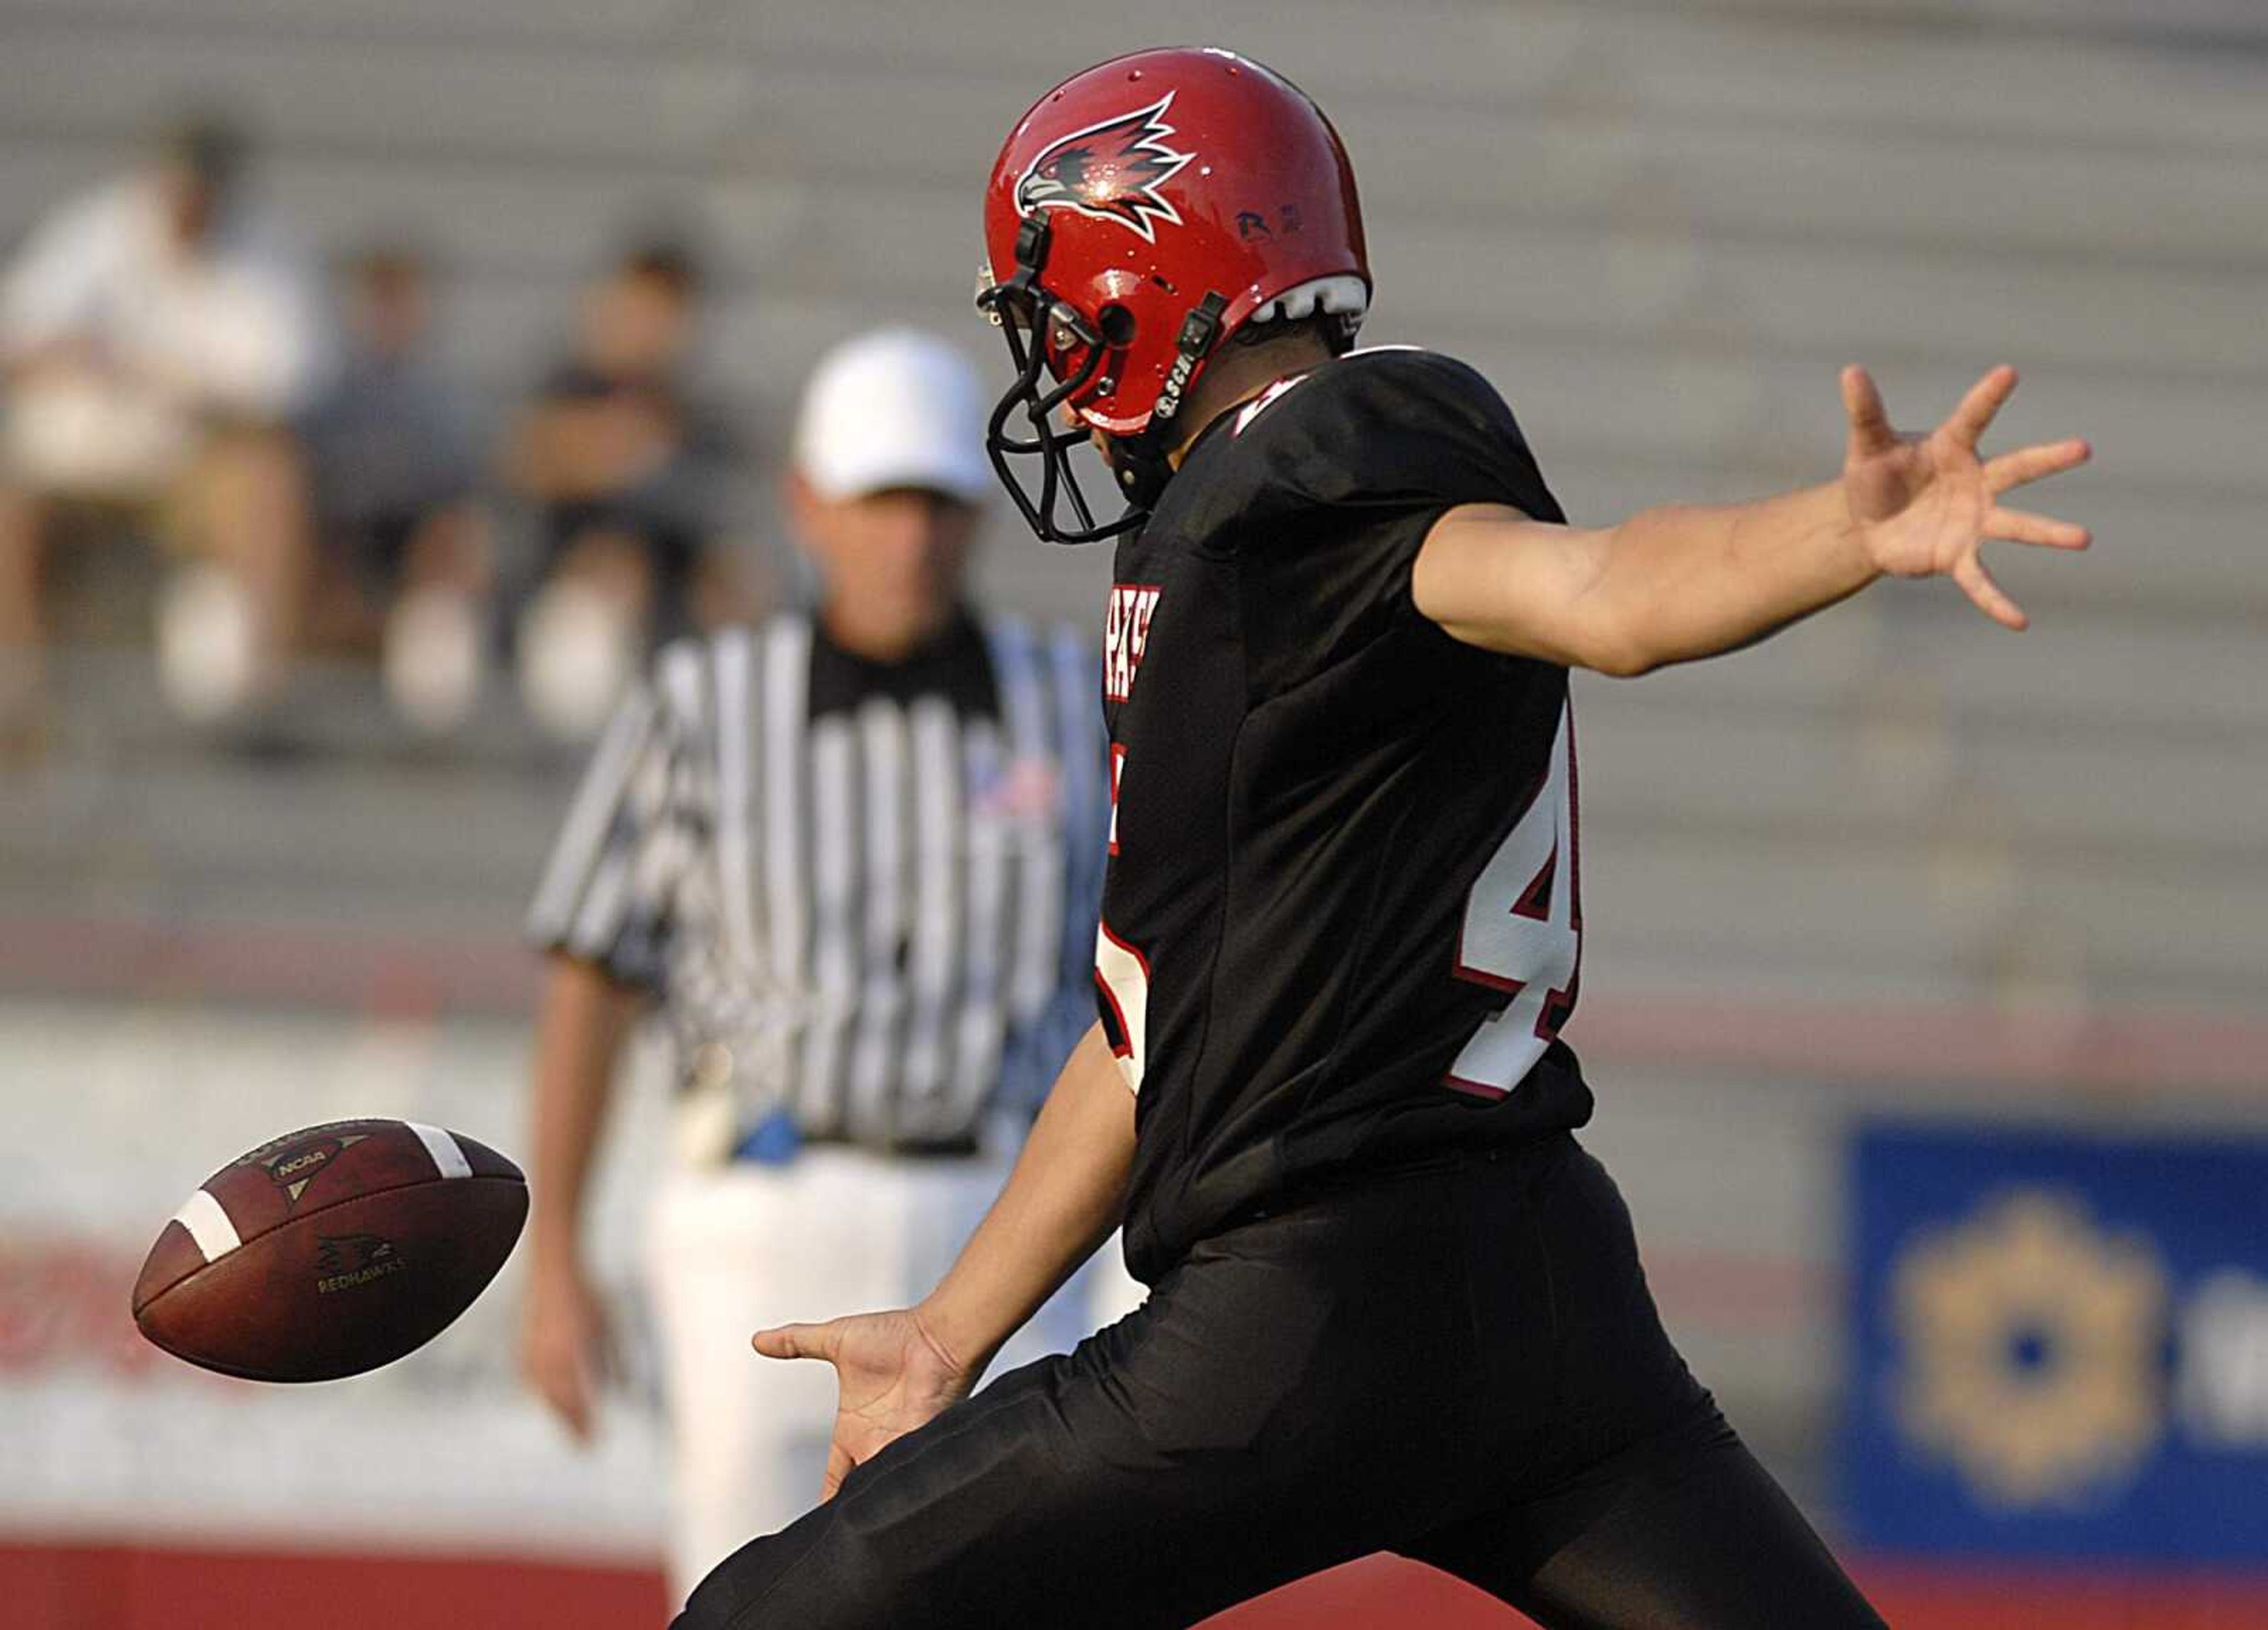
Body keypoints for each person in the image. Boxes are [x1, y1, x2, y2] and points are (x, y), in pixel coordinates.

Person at [673, 48, 2094, 1630]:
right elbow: (1157, 1019)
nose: (1060, 376)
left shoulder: (1321, 474)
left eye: (1066, 320)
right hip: (1537, 1287)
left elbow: (1604, 593)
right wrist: (950, 1330)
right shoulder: (1230, 526)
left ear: (1162, 286)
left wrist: (1843, 531)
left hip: (1314, 1312)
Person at [519, 328, 1117, 1605]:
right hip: (759, 1206)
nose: (911, 537)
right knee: (747, 1588)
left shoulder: (1076, 697)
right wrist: (556, 1254)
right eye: (880, 499)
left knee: (1015, 1593)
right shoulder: (700, 702)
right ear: (808, 504)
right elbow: (591, 973)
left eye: (939, 502)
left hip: (1005, 1208)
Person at [0, 115, 327, 741]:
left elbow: (286, 386)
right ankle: (17, 693)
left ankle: (264, 687)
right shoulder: (94, 233)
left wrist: (167, 385)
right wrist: (89, 363)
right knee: (10, 507)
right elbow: (20, 341)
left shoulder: (269, 255)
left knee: (270, 480)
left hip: (190, 471)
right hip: (83, 469)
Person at [505, 237, 742, 742]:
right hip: (569, 603)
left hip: (669, 611)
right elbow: (528, 465)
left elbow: (714, 531)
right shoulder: (565, 388)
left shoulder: (698, 418)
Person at [298, 244, 492, 735]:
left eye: (402, 300)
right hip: (330, 569)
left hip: (417, 571)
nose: (391, 317)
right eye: (380, 300)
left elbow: (459, 515)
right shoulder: (318, 404)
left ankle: (430, 761)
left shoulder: (450, 411)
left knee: (440, 628)